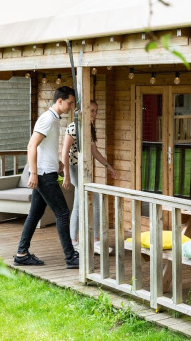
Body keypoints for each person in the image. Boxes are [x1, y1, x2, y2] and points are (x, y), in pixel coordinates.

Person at [14, 86, 79, 269]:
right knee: (63, 212)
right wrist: (33, 173)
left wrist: (57, 162)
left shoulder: (54, 119)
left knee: (34, 214)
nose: (71, 106)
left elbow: (45, 147)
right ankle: (70, 257)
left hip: (47, 171)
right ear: (60, 101)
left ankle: (21, 254)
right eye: (69, 102)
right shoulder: (48, 119)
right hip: (43, 175)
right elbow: (31, 146)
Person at [62, 100, 118, 252]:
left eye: (96, 111)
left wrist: (108, 166)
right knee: (91, 200)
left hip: (83, 169)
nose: (94, 114)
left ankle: (80, 240)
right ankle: (87, 240)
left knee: (80, 203)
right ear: (84, 111)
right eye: (92, 110)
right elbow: (64, 153)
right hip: (74, 169)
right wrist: (66, 175)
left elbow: (94, 151)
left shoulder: (88, 127)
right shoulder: (74, 127)